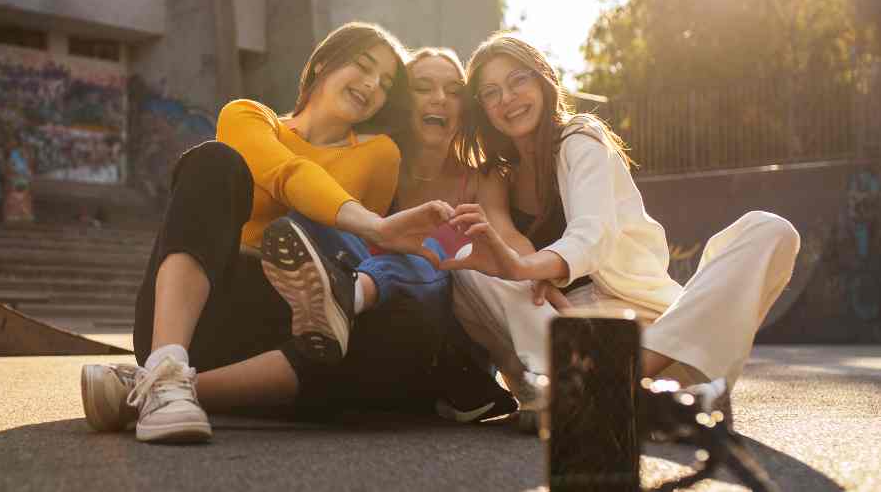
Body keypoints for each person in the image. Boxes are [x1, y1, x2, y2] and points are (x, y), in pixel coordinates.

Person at [80, 22, 457, 443]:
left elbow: (343, 247)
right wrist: (378, 226)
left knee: (412, 271)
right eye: (363, 66)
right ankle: (166, 364)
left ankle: (158, 390)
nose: (372, 85)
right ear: (321, 65)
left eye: (386, 83)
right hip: (200, 313)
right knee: (215, 162)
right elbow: (288, 174)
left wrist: (383, 238)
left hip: (292, 327)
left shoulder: (379, 154)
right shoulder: (247, 116)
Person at [441, 33, 801, 422]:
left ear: (543, 79)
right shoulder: (496, 173)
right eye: (491, 92)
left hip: (650, 330)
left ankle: (618, 383)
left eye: (518, 80)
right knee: (468, 265)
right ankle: (581, 390)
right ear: (482, 108)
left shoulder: (580, 136)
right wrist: (528, 273)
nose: (507, 98)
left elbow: (591, 236)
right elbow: (505, 243)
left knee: (770, 230)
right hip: (564, 333)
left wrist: (524, 268)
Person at [262, 47, 515, 422]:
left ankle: (348, 296)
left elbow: (508, 240)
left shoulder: (483, 177)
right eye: (423, 87)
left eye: (453, 90)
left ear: (465, 106)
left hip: (445, 331)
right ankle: (345, 301)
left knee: (428, 256)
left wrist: (546, 275)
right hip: (376, 323)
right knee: (314, 217)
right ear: (401, 103)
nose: (440, 99)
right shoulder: (377, 163)